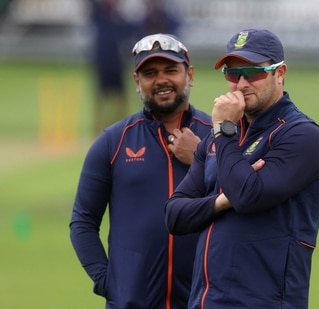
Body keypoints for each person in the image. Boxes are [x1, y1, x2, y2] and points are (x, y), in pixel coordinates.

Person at [164, 28, 319, 308]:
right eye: (233, 73)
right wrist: (221, 201)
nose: (241, 83)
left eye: (253, 72)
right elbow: (175, 215)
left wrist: (225, 130)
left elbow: (246, 196)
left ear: (280, 73)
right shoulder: (217, 138)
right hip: (206, 301)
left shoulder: (302, 136)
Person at [70, 33, 212, 309]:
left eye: (171, 70)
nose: (161, 80)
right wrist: (108, 281)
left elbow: (243, 200)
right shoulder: (113, 141)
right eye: (149, 73)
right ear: (137, 82)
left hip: (204, 302)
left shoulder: (217, 138)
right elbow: (83, 222)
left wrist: (200, 158)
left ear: (190, 75)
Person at [88, 0, 133, 136]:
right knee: (101, 97)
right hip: (102, 62)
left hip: (117, 63)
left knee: (121, 97)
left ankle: (119, 127)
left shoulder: (120, 19)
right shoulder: (98, 15)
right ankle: (97, 130)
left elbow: (130, 33)